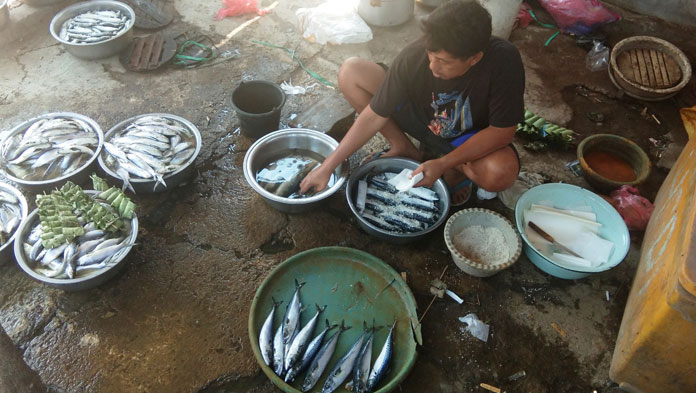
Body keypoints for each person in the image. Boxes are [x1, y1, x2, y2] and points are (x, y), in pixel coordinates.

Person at [300, 0, 525, 205]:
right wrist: (328, 166)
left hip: (464, 136)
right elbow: (373, 115)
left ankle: (456, 169)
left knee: (500, 173)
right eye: (431, 55)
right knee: (351, 72)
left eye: (444, 62)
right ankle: (404, 148)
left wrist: (444, 163)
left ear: (474, 58)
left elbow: (501, 132)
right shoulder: (415, 56)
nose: (433, 67)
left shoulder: (504, 61)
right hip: (420, 118)